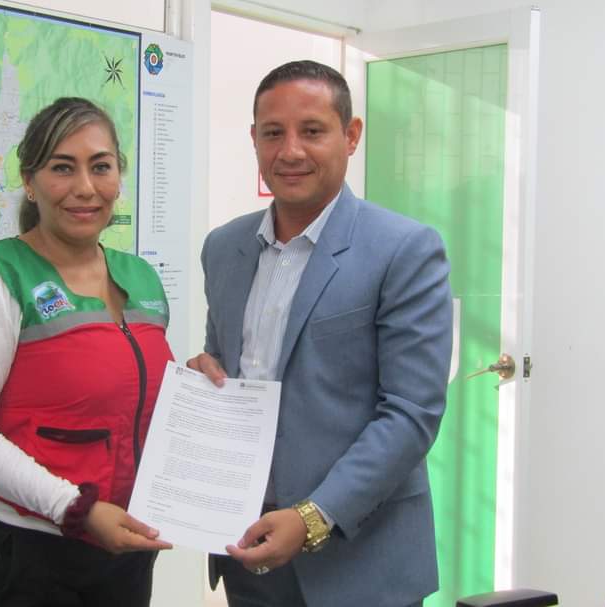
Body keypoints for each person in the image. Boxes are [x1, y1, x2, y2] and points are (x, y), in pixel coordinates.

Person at [188, 60, 453, 607]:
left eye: (312, 130)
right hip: (247, 549)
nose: (290, 151)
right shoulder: (223, 247)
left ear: (350, 136)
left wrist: (313, 517)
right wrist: (204, 376)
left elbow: (411, 413)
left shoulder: (404, 249)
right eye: (273, 133)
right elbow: (227, 363)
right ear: (254, 139)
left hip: (361, 564)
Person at [0, 97, 174, 607]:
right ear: (29, 181)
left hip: (122, 544)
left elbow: (131, 394)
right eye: (63, 167)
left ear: (118, 176)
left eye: (100, 166)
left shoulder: (141, 276)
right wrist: (74, 508)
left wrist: (199, 381)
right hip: (21, 552)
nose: (85, 187)